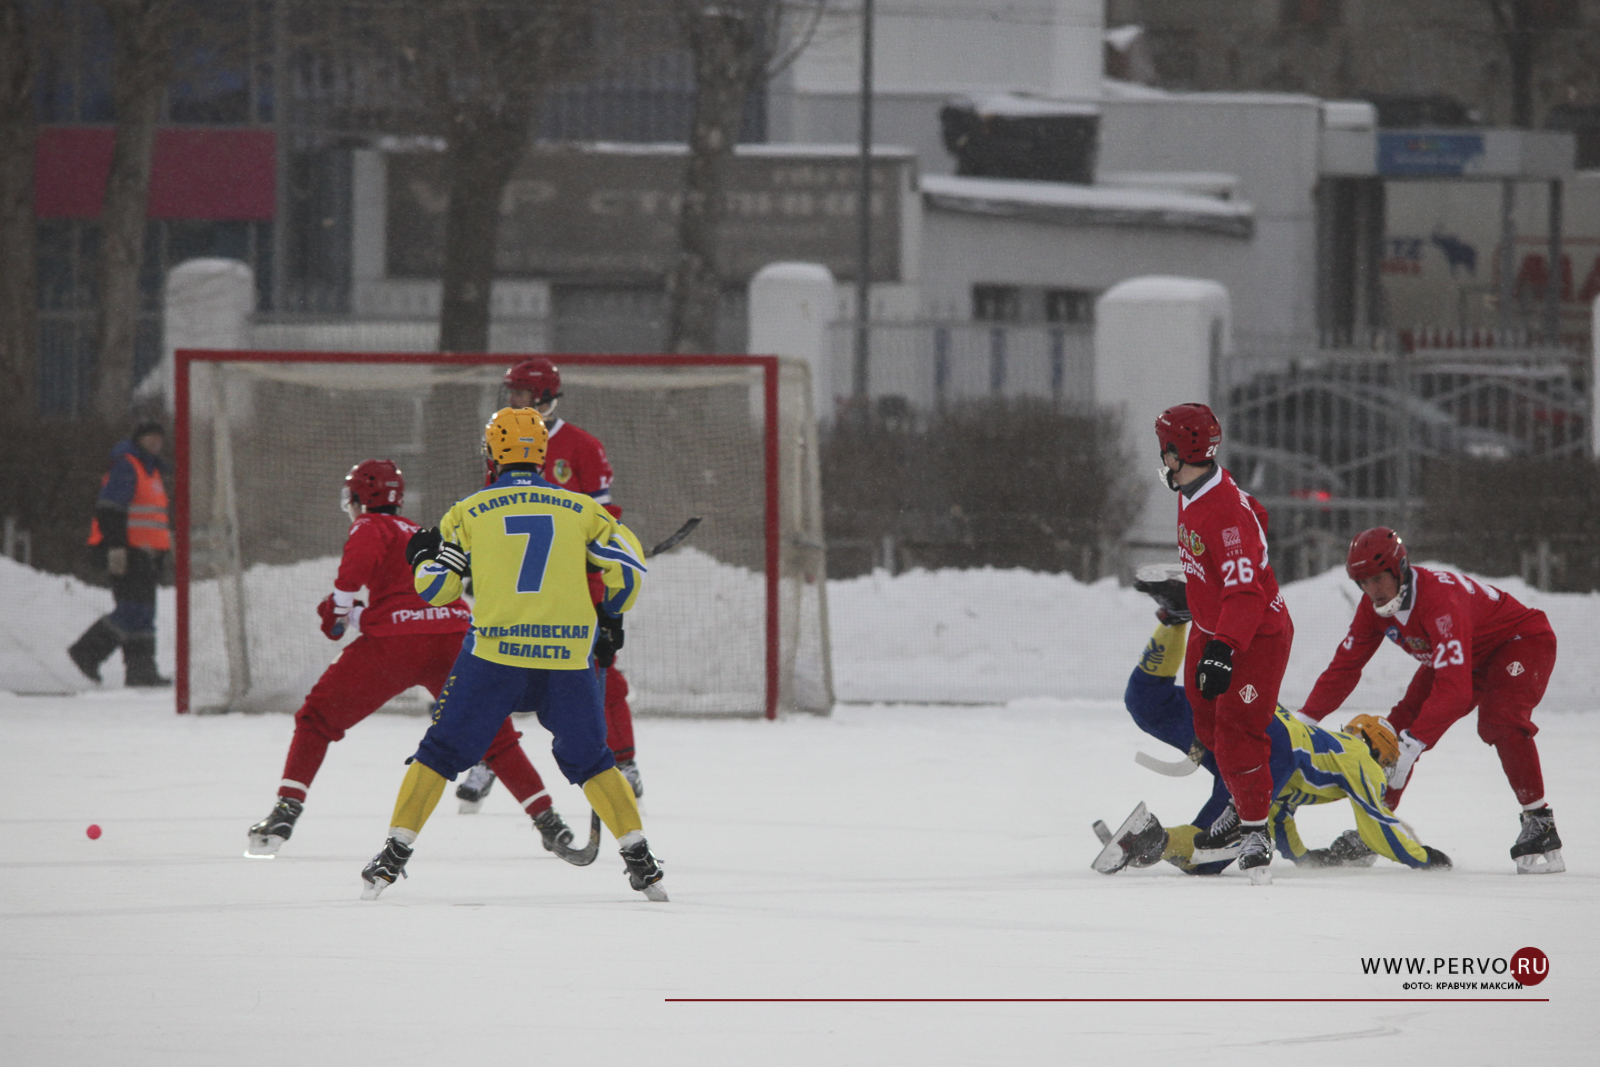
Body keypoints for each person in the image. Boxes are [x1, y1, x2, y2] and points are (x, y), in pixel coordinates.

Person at [360, 407, 661, 901]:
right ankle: (641, 859)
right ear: (541, 454)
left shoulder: (468, 511)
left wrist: (422, 559)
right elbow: (627, 575)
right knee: (593, 759)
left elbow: (437, 590)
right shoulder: (582, 509)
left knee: (439, 752)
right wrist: (610, 617)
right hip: (566, 658)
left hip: (495, 657)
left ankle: (393, 855)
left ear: (492, 454)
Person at [244, 460, 577, 858]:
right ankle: (548, 819)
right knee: (494, 735)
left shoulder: (370, 525)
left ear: (359, 498)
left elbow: (363, 576)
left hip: (396, 645)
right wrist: (356, 615)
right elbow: (416, 597)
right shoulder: (418, 530)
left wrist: (341, 607)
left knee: (316, 719)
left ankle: (285, 810)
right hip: (454, 634)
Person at [1095, 567, 1449, 876]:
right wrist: (1425, 858)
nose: (1384, 771)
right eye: (1386, 761)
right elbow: (1377, 826)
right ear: (1377, 750)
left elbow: (1276, 812)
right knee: (1209, 855)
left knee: (1147, 702)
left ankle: (1174, 618)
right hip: (1270, 747)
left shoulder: (1323, 750)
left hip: (1257, 716)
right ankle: (1151, 839)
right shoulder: (1360, 760)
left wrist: (1305, 858)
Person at [1297, 527, 1564, 874]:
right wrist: (1305, 720)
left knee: (1500, 721)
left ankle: (1539, 820)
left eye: (1377, 578)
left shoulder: (1439, 601)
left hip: (1518, 641)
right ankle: (1378, 827)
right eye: (1362, 582)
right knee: (1389, 733)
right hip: (1466, 652)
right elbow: (1345, 668)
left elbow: (1455, 691)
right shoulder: (1372, 608)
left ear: (1399, 569)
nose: (1372, 590)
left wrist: (1412, 745)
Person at [455, 357, 646, 812]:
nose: (514, 400)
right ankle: (489, 759)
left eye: (521, 392)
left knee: (597, 668)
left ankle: (622, 761)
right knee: (497, 668)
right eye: (511, 392)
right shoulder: (500, 437)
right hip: (517, 583)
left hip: (575, 582)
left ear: (544, 396)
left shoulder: (582, 446)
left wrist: (597, 561)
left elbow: (603, 518)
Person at [1154, 402, 1294, 884]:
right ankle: (1240, 800)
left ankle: (1255, 831)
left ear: (1177, 451)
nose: (1161, 456)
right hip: (1214, 627)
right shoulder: (1191, 489)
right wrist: (1196, 592)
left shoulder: (1225, 512)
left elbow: (1246, 592)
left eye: (1163, 447)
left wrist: (1223, 648)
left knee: (1237, 731)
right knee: (1204, 718)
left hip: (1255, 635)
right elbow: (1255, 520)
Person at [68, 420, 172, 687]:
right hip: (129, 550)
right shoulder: (127, 466)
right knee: (133, 609)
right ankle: (87, 652)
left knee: (144, 613)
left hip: (147, 554)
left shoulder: (153, 471)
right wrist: (116, 547)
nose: (156, 442)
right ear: (138, 439)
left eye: (159, 437)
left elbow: (153, 518)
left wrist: (160, 553)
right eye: (150, 437)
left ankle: (141, 670)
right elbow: (109, 509)